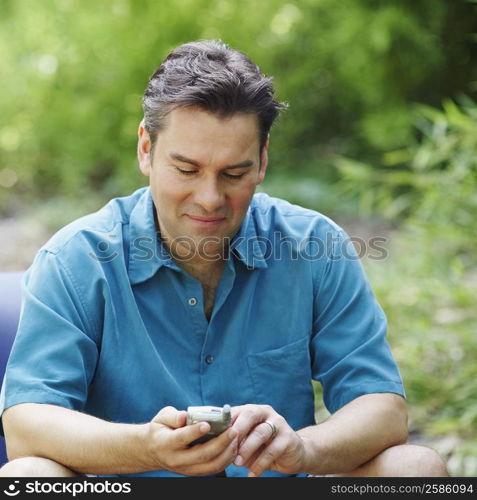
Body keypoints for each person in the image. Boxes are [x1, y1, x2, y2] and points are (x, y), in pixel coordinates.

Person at [0, 40, 448, 478]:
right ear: (145, 149)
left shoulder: (316, 247)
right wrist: (146, 448)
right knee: (26, 475)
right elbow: (26, 425)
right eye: (187, 170)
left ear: (262, 160)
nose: (210, 199)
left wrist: (304, 449)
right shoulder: (75, 260)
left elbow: (384, 410)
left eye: (234, 173)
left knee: (416, 468)